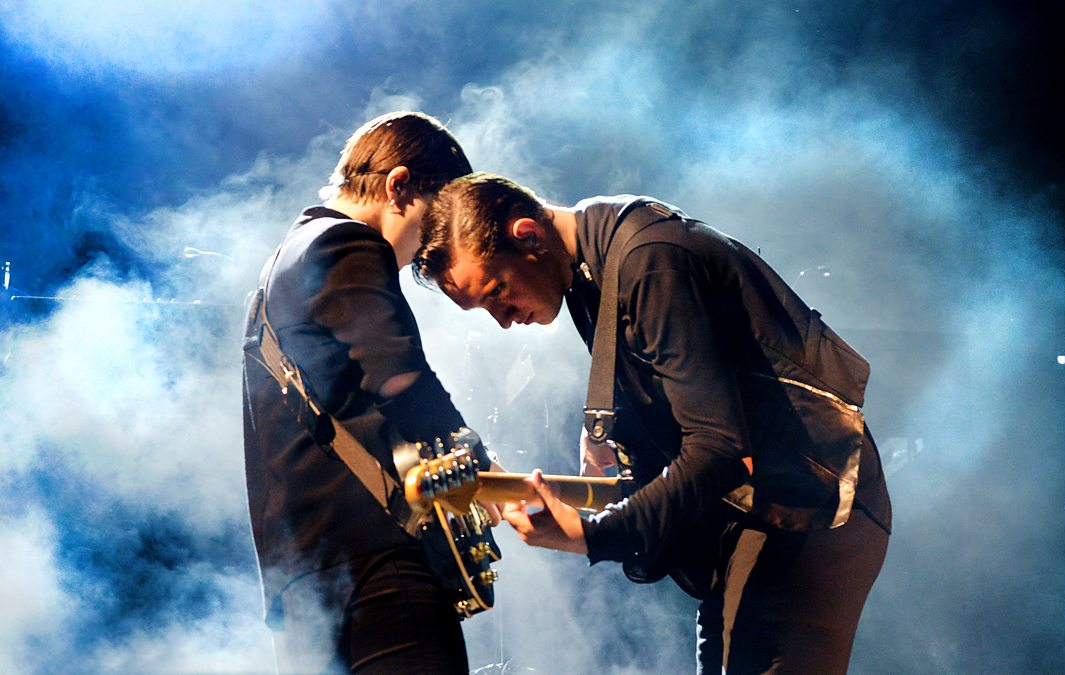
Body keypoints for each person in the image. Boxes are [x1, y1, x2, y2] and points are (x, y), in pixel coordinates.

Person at [413, 172, 893, 674]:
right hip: (767, 516)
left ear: (528, 235)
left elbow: (722, 449)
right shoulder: (594, 266)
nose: (503, 319)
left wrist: (594, 535)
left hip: (806, 511)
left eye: (497, 291)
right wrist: (612, 434)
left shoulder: (648, 259)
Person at [241, 111, 494, 674]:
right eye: (435, 225)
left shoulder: (284, 262)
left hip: (301, 581)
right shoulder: (347, 242)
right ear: (399, 185)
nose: (431, 252)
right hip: (377, 565)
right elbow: (399, 377)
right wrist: (478, 463)